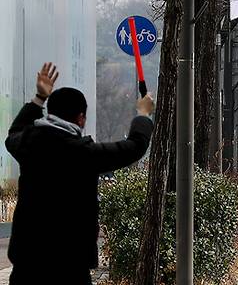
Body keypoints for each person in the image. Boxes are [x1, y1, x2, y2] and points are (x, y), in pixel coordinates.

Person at [4, 63, 155, 284]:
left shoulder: (28, 144)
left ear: (51, 112)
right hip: (71, 265)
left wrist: (39, 98)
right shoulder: (84, 154)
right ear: (81, 118)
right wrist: (143, 114)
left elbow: (14, 132)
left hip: (27, 263)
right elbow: (134, 147)